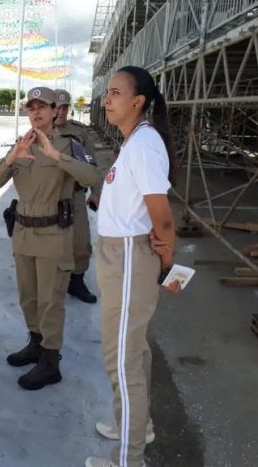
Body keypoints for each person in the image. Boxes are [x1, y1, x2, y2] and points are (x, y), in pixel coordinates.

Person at [85, 66, 181, 467]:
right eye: (107, 92)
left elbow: (162, 218)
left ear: (138, 101)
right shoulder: (137, 142)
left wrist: (167, 260)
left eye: (115, 92)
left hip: (127, 260)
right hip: (119, 256)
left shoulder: (142, 146)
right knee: (134, 350)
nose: (106, 100)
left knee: (121, 359)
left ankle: (129, 458)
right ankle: (136, 427)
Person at [0, 87, 99, 391]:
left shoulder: (69, 145)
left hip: (54, 235)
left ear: (55, 111)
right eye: (31, 108)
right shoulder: (22, 144)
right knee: (29, 298)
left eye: (42, 107)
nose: (35, 113)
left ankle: (51, 362)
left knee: (51, 301)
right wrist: (11, 157)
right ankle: (35, 344)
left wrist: (56, 157)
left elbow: (92, 177)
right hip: (23, 233)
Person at [54, 89, 100, 304]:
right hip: (50, 195)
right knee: (51, 241)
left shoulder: (79, 132)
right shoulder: (40, 130)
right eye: (57, 106)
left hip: (76, 194)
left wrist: (96, 192)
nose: (61, 111)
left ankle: (77, 282)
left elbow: (92, 164)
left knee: (80, 241)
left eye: (65, 107)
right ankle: (53, 282)